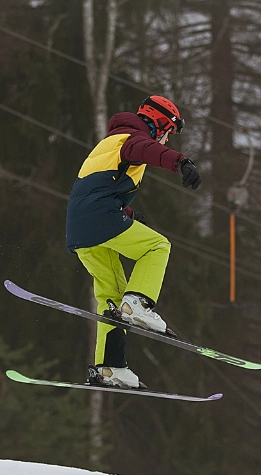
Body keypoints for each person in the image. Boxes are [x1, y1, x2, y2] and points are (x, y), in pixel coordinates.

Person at [66, 95, 201, 389]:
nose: (166, 139)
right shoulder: (131, 138)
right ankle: (138, 303)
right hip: (100, 220)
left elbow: (95, 191)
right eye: (168, 132)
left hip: (80, 228)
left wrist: (128, 214)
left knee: (112, 297)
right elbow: (149, 150)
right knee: (157, 246)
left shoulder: (108, 144)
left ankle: (110, 368)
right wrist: (181, 162)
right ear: (158, 123)